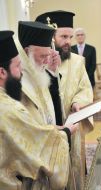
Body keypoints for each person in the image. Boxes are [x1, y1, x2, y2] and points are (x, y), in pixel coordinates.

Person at [0, 30, 79, 190]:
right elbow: (40, 149)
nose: (21, 72)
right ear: (2, 72)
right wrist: (66, 133)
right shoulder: (7, 108)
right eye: (17, 66)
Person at [36, 10, 93, 190]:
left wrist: (78, 102)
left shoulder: (78, 62)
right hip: (51, 127)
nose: (69, 41)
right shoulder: (40, 61)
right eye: (64, 36)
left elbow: (84, 88)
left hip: (72, 125)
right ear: (52, 37)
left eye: (71, 36)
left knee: (74, 170)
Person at [17, 21, 62, 126]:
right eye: (42, 56)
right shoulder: (18, 80)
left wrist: (52, 70)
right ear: (27, 51)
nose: (47, 61)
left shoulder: (37, 72)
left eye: (48, 55)